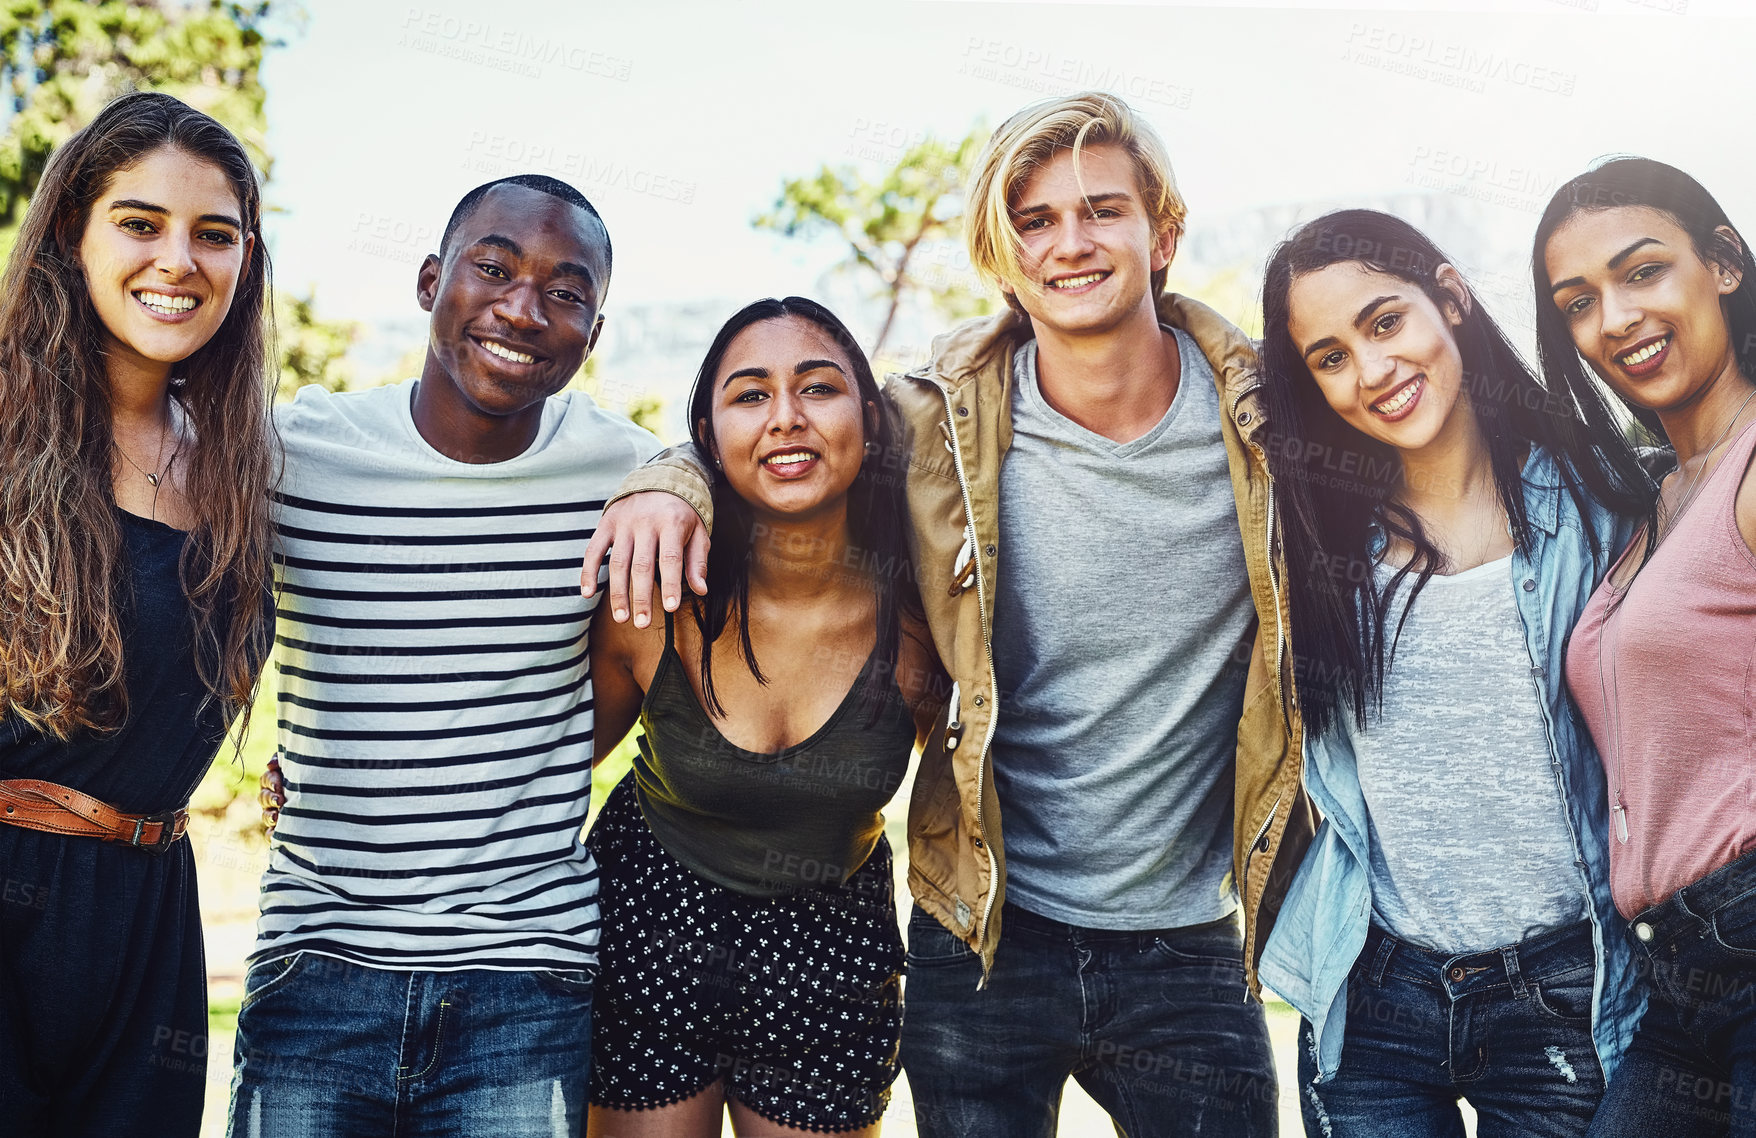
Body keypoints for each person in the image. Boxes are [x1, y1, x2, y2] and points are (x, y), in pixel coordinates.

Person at [582, 92, 1303, 1137]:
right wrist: (663, 480)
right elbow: (778, 436)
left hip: (1190, 938)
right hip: (986, 932)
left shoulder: (1269, 421)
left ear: (1165, 233)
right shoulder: (938, 425)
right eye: (1035, 221)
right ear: (999, 256)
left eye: (1101, 209)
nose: (1071, 243)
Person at [228, 174, 655, 1136]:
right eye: (494, 267)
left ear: (594, 332)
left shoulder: (630, 475)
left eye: (565, 291)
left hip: (526, 977)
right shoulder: (296, 452)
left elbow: (634, 668)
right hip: (318, 961)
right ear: (431, 282)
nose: (522, 307)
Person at [1252, 209, 1653, 1137]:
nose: (1372, 371)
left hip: (1563, 993)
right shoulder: (1317, 547)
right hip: (1376, 988)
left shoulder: (1604, 506)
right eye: (1330, 356)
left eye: (1385, 322)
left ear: (1451, 298)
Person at [585, 296, 945, 1137]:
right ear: (707, 437)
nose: (786, 418)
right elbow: (544, 762)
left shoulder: (923, 619)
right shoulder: (653, 599)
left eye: (818, 388)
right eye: (750, 396)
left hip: (833, 948)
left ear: (869, 417)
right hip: (650, 926)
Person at [0, 92, 276, 1134]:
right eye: (139, 222)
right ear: (72, 231)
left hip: (150, 924)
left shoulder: (250, 472)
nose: (180, 260)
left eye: (216, 234)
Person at [1534, 158, 1756, 1138]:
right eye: (1577, 301)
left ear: (1722, 265)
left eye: (1641, 272)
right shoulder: (1650, 496)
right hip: (1675, 977)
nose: (1613, 319)